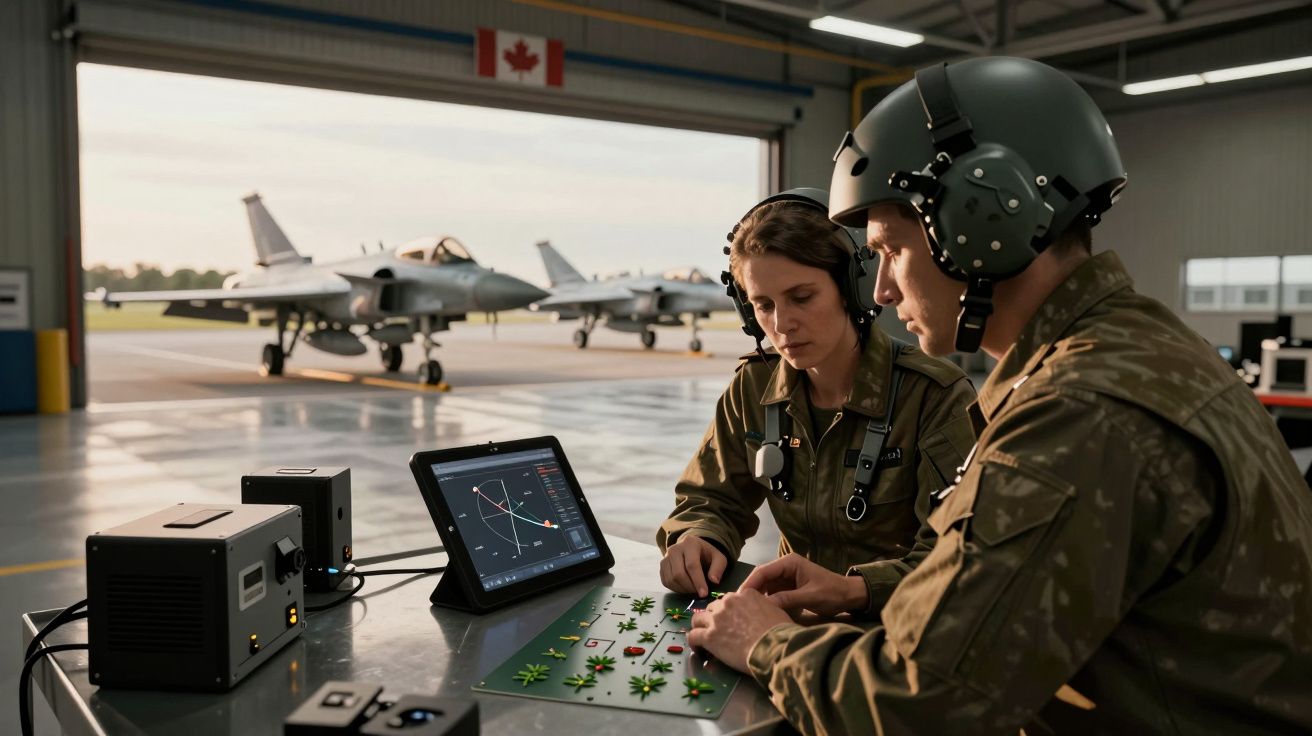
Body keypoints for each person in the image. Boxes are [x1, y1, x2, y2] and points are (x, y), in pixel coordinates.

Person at [687, 57, 1312, 735]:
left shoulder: (1080, 410)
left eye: (892, 249)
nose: (884, 291)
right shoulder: (1135, 348)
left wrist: (763, 641)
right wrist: (862, 588)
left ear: (981, 224)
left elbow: (919, 703)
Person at [657, 189, 976, 617]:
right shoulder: (755, 386)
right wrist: (699, 538)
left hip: (898, 626)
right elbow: (711, 499)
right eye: (764, 305)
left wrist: (857, 590)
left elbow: (956, 559)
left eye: (802, 298)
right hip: (791, 620)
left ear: (850, 289)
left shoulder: (933, 396)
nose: (782, 324)